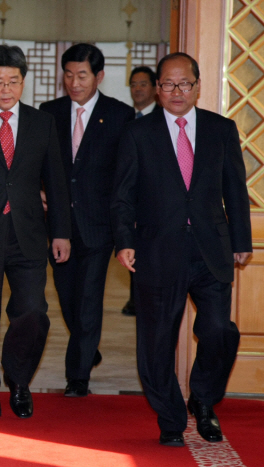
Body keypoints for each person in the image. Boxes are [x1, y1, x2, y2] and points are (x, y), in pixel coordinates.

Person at [112, 52, 252, 447]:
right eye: (169, 84)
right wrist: (125, 242)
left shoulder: (220, 129)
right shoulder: (138, 134)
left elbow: (234, 190)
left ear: (197, 86)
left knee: (218, 331)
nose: (177, 91)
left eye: (185, 84)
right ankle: (171, 417)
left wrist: (241, 241)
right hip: (157, 250)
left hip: (212, 250)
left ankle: (204, 402)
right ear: (157, 89)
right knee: (156, 342)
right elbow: (121, 197)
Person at [0, 45, 71, 423]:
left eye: (13, 81)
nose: (6, 89)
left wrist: (60, 232)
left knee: (32, 312)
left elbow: (56, 182)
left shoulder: (42, 123)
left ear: (24, 82)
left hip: (27, 233)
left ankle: (19, 379)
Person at [39, 43, 134, 397]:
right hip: (58, 224)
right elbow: (36, 161)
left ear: (99, 76)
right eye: (68, 74)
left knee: (90, 298)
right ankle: (86, 346)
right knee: (67, 297)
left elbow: (127, 172)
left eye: (82, 75)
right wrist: (38, 190)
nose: (74, 82)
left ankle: (77, 377)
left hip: (99, 223)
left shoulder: (121, 115)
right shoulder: (49, 112)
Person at [121, 66, 160, 317]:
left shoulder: (161, 119)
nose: (137, 89)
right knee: (130, 249)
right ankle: (136, 298)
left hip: (155, 202)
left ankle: (143, 298)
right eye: (133, 84)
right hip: (129, 200)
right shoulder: (126, 120)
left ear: (155, 87)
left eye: (143, 84)